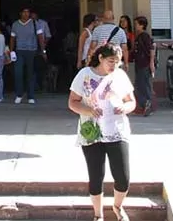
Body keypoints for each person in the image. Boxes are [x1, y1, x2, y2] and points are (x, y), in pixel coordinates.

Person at [68, 44, 136, 221]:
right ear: (100, 58)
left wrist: (125, 107)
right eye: (111, 61)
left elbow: (131, 101)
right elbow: (73, 102)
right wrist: (89, 110)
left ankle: (117, 206)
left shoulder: (120, 76)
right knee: (96, 175)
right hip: (92, 132)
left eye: (117, 61)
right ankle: (98, 214)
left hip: (117, 131)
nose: (114, 65)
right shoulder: (84, 75)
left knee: (122, 176)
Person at [10, 8, 45, 105]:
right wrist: (11, 51)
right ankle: (19, 94)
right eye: (24, 12)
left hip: (32, 51)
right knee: (18, 73)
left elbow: (40, 37)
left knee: (31, 74)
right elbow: (12, 38)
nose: (26, 14)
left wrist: (43, 51)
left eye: (27, 12)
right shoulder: (15, 24)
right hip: (19, 51)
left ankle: (31, 96)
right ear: (20, 13)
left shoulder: (34, 23)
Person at [133, 16, 156, 117]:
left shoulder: (145, 36)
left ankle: (147, 104)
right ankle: (144, 105)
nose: (135, 26)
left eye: (136, 24)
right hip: (139, 63)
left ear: (142, 25)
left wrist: (151, 63)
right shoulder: (139, 36)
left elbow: (151, 49)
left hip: (144, 64)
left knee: (143, 85)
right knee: (139, 85)